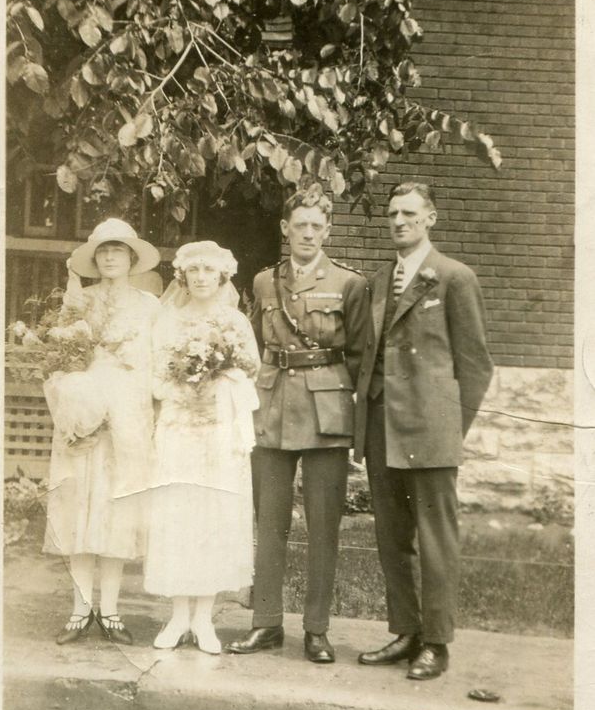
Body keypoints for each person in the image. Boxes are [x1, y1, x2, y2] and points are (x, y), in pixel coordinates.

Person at [353, 181, 494, 679]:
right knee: (392, 538)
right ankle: (406, 632)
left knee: (436, 539)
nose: (399, 221)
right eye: (392, 213)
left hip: (431, 430)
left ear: (430, 217)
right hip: (381, 427)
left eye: (410, 213)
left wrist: (451, 427)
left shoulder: (454, 278)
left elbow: (475, 364)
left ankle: (436, 642)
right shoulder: (376, 280)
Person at [226, 184, 369, 664]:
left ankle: (317, 629)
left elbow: (360, 356)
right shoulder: (265, 282)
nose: (308, 233)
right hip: (271, 404)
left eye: (317, 225)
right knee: (269, 522)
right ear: (284, 229)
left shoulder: (350, 283)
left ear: (327, 230)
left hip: (326, 411)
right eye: (299, 225)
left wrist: (348, 412)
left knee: (323, 524)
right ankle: (265, 623)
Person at [43, 218, 161, 645]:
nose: (111, 257)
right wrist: (71, 416)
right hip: (81, 423)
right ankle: (79, 609)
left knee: (116, 514)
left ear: (131, 257)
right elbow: (60, 363)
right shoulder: (79, 304)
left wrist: (132, 414)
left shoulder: (150, 306)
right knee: (79, 511)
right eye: (104, 251)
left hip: (126, 424)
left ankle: (110, 610)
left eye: (119, 250)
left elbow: (155, 368)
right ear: (95, 259)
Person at [143, 241, 260, 655]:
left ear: (223, 276)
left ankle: (204, 619)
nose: (201, 277)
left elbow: (249, 373)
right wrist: (182, 388)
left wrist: (217, 381)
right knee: (178, 516)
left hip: (218, 432)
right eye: (193, 271)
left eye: (209, 271)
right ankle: (178, 616)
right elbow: (155, 376)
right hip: (179, 428)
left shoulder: (236, 322)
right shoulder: (169, 321)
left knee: (213, 518)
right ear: (183, 277)